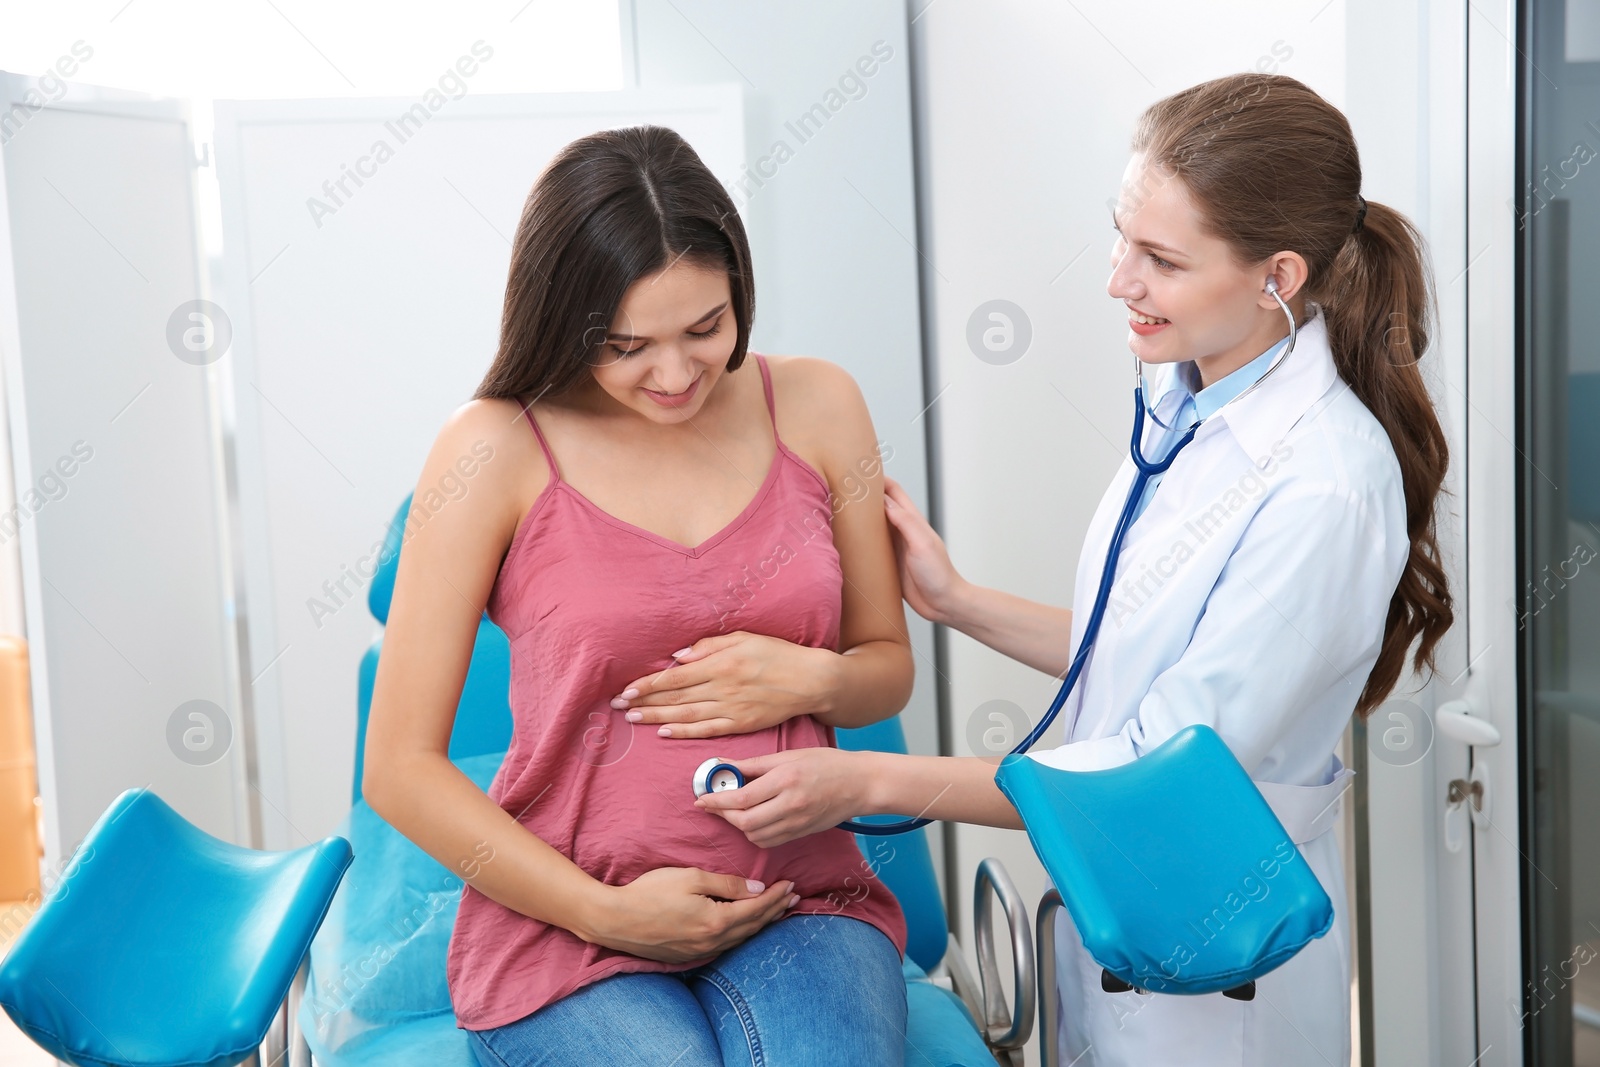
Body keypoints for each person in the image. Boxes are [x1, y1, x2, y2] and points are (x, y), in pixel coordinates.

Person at [677, 73, 1455, 1065]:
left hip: (1215, 962)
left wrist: (863, 777)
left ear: (1279, 276)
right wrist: (957, 601)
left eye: (1161, 260)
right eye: (1122, 236)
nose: (1117, 280)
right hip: (1118, 910)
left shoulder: (1323, 486)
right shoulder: (1189, 400)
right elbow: (1132, 649)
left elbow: (1146, 766)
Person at [361, 124, 917, 1066]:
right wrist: (608, 912)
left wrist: (810, 678)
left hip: (797, 897)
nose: (674, 375)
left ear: (739, 286)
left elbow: (885, 670)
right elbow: (399, 768)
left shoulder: (820, 404)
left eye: (706, 328)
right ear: (562, 321)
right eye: (626, 345)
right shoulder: (492, 447)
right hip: (570, 916)